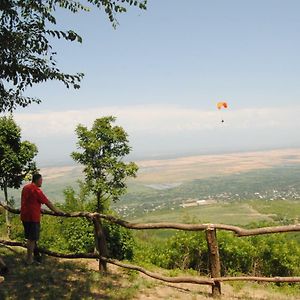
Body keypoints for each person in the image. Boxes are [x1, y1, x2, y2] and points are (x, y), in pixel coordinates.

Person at [20, 173, 62, 265]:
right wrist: (57, 211)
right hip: (32, 217)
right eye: (41, 180)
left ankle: (30, 257)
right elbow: (47, 202)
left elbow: (29, 201)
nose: (42, 181)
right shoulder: (36, 190)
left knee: (29, 238)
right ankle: (29, 260)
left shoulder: (26, 188)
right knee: (32, 239)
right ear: (37, 180)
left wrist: (38, 208)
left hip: (24, 216)